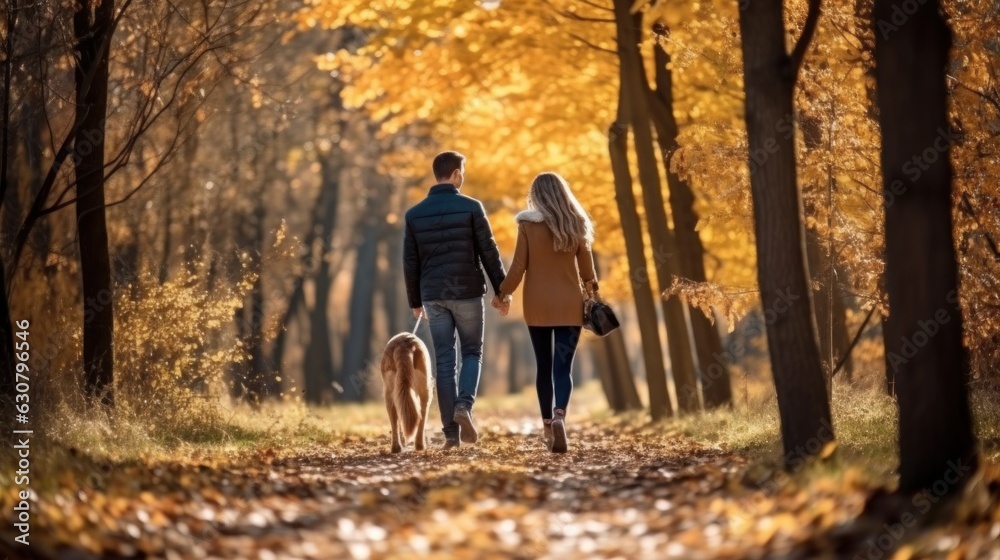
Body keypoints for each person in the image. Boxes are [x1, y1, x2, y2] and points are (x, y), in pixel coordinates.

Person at [403, 151, 507, 449]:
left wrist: (415, 300)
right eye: (463, 171)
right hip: (467, 292)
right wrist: (501, 290)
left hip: (433, 295)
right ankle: (464, 406)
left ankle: (451, 435)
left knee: (445, 361)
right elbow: (489, 252)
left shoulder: (414, 214)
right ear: (457, 173)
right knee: (472, 352)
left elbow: (410, 262)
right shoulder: (472, 207)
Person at [495, 172, 597, 453]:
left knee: (543, 366)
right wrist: (593, 294)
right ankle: (561, 414)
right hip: (569, 306)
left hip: (537, 306)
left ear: (536, 195)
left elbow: (518, 266)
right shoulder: (575, 224)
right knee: (562, 368)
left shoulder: (527, 225)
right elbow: (587, 272)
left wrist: (503, 293)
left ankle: (547, 426)